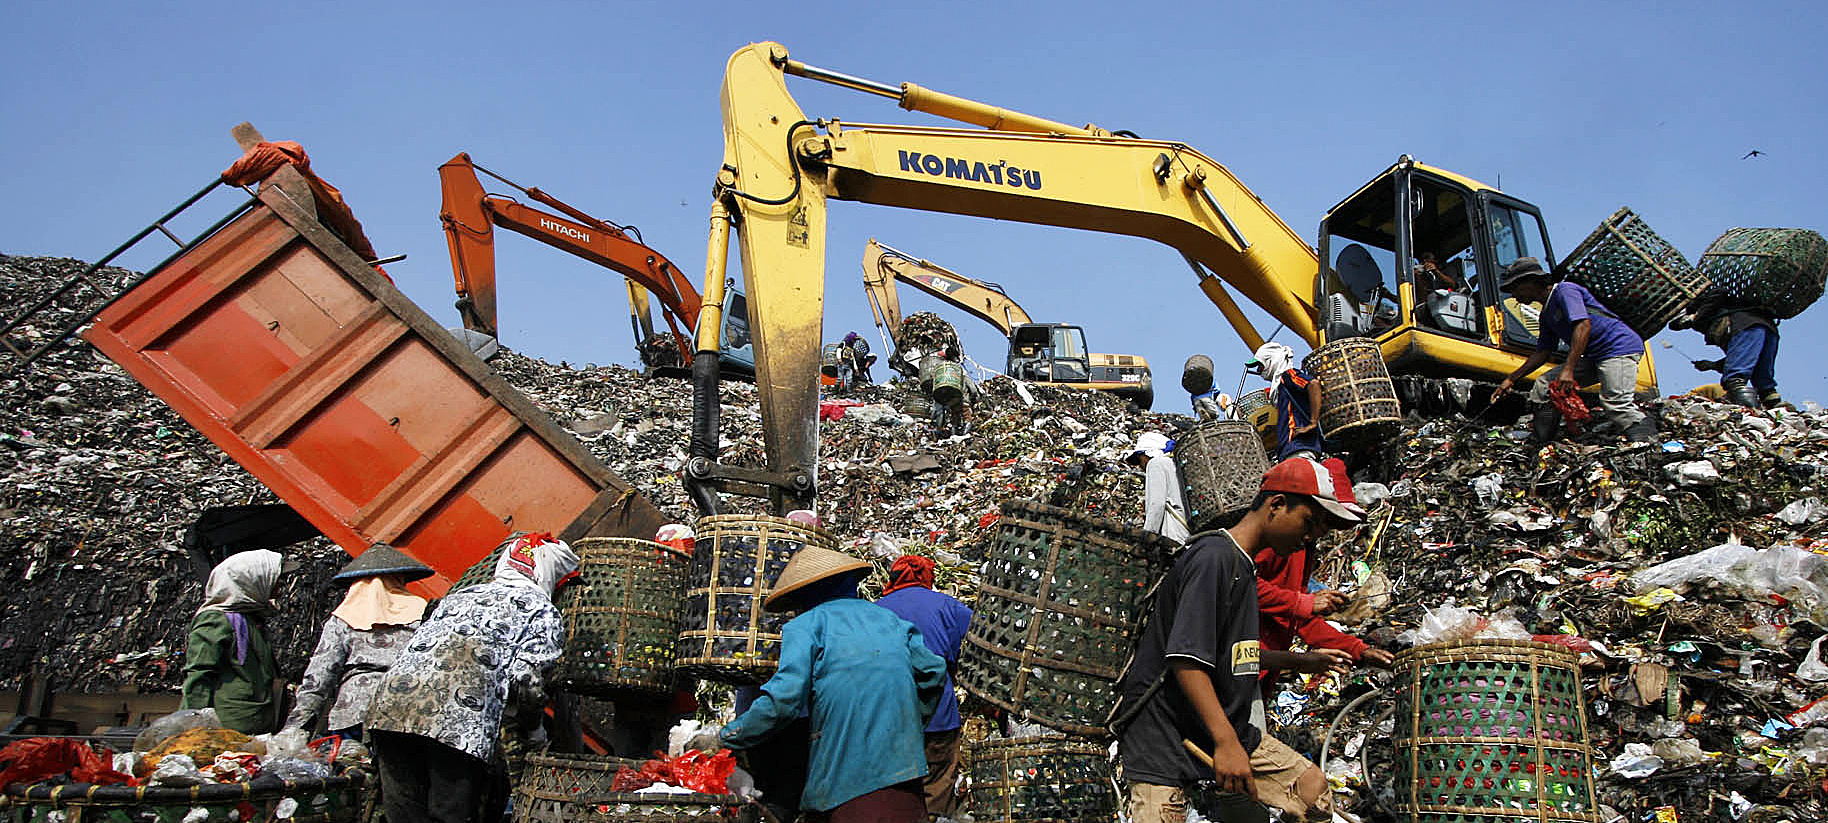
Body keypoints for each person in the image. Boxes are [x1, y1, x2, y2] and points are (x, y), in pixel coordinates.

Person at [1112, 456, 1365, 823]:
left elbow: (1233, 656)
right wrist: (1226, 743)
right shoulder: (1214, 559)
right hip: (1163, 733)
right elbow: (1186, 660)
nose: (1309, 538)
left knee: (1310, 791)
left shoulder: (1244, 567)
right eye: (1308, 523)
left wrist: (1301, 662)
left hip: (1217, 726)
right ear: (1276, 504)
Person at [720, 546, 948, 823]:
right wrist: (910, 721)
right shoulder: (891, 620)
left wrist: (728, 737)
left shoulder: (806, 626)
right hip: (904, 775)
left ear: (806, 595)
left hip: (849, 782)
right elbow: (933, 671)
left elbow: (784, 700)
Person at [364, 533, 579, 823]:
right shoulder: (542, 611)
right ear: (551, 576)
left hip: (391, 706)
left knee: (405, 813)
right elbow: (527, 681)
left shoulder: (461, 595)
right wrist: (534, 730)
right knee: (449, 813)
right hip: (456, 718)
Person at [1253, 459, 1393, 703]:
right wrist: (1304, 603)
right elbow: (1240, 585)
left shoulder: (1300, 547)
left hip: (1260, 671)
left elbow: (1300, 620)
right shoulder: (1276, 542)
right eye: (1320, 521)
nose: (1321, 531)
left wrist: (1358, 650)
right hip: (1240, 668)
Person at [1490, 257, 1655, 443]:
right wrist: (1511, 379)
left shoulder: (1565, 291)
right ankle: (1541, 441)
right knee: (1544, 386)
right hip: (1596, 356)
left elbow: (1583, 325)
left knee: (1616, 403)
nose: (1514, 295)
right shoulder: (1546, 315)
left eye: (1515, 288)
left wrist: (1568, 370)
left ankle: (1647, 440)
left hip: (1617, 347)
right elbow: (1543, 352)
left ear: (1531, 281)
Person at [284, 542, 433, 740]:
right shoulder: (424, 613)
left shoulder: (343, 618)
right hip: (411, 709)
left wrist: (294, 729)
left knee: (353, 756)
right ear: (399, 580)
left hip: (354, 710)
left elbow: (319, 676)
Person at [875, 555, 975, 821]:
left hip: (887, 718)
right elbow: (979, 638)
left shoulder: (873, 610)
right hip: (938, 717)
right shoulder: (947, 606)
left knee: (896, 792)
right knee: (936, 786)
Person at [182, 549, 286, 735]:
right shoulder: (216, 620)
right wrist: (191, 730)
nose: (279, 586)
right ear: (251, 581)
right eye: (276, 580)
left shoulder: (249, 619)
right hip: (227, 728)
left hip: (253, 725)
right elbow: (199, 676)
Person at [1669, 293, 1783, 410]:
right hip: (1767, 329)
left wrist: (1696, 317)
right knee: (1765, 385)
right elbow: (1744, 358)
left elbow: (1719, 292)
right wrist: (1712, 365)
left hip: (1746, 326)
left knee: (1734, 381)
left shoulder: (1697, 304)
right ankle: (1776, 407)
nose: (1685, 326)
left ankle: (1746, 409)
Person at [1246, 343, 1326, 460]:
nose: (1259, 371)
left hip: (1299, 446)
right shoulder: (1279, 386)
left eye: (1261, 366)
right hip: (1289, 449)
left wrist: (1312, 423)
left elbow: (1313, 384)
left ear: (1271, 360)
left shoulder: (1288, 375)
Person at [1127, 432, 1191, 545]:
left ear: (1146, 453)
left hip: (1174, 534)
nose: (1140, 466)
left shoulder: (1156, 464)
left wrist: (1147, 537)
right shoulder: (1174, 464)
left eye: (1139, 460)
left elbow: (1156, 504)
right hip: (1189, 532)